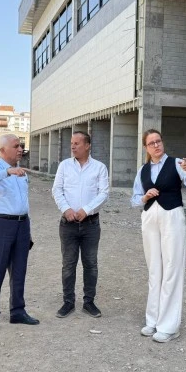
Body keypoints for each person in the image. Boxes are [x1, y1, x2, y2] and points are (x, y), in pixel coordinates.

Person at [131, 129, 186, 343]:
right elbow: (134, 198)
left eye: (158, 141)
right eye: (151, 143)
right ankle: (153, 320)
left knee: (172, 267)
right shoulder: (143, 170)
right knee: (154, 268)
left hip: (172, 215)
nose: (156, 145)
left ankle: (169, 326)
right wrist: (144, 197)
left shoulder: (176, 163)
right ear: (146, 148)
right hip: (149, 217)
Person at [0, 134, 38, 333]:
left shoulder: (22, 173)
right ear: (2, 150)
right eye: (16, 146)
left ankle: (17, 311)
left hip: (21, 224)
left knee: (19, 270)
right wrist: (6, 172)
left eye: (21, 146)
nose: (20, 149)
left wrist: (27, 228)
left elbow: (22, 201)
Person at [51, 131, 109, 318]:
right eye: (72, 143)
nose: (73, 146)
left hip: (90, 224)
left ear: (87, 145)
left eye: (77, 143)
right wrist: (66, 209)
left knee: (90, 264)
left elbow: (104, 193)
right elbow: (57, 190)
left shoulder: (99, 168)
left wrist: (86, 209)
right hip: (67, 224)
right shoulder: (64, 166)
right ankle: (68, 302)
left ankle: (89, 302)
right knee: (68, 264)